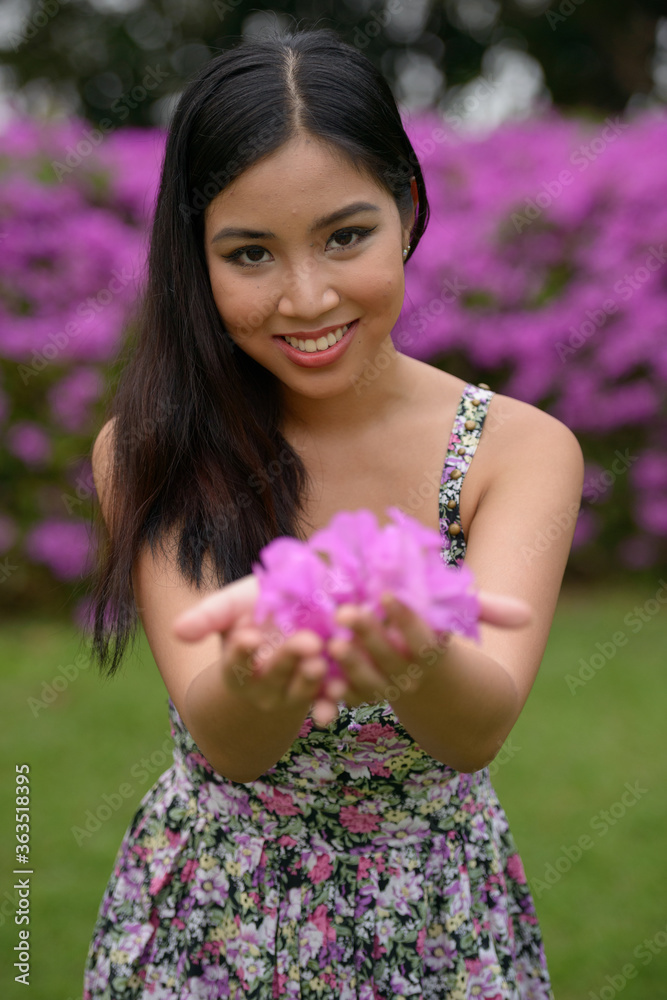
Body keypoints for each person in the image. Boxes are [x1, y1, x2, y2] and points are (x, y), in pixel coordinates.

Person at [83, 25, 584, 1000]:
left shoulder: (516, 450)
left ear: (407, 212)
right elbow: (231, 739)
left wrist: (413, 649)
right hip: (216, 918)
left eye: (345, 236)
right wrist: (275, 652)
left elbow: (474, 728)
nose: (305, 298)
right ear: (198, 257)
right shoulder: (151, 447)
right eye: (250, 253)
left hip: (437, 915)